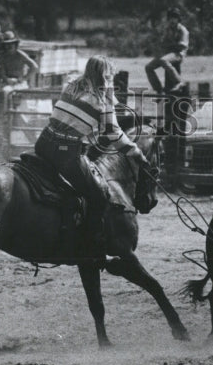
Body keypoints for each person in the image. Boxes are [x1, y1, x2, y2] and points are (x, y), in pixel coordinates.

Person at [34, 55, 149, 250]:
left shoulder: (71, 86)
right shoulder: (102, 99)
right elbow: (114, 134)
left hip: (43, 143)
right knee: (100, 194)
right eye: (111, 74)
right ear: (106, 75)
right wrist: (136, 152)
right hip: (67, 154)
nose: (112, 78)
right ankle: (91, 240)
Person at [144, 7, 189, 93]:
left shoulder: (183, 30)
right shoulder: (167, 29)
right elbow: (162, 43)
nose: (172, 20)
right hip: (167, 54)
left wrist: (169, 45)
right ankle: (159, 89)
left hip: (178, 54)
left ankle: (179, 82)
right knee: (148, 67)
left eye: (174, 18)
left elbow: (182, 46)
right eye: (170, 18)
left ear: (178, 19)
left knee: (163, 60)